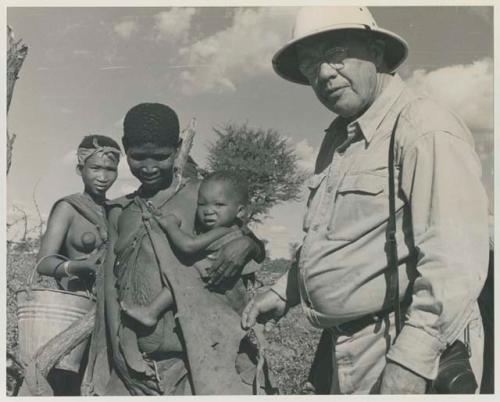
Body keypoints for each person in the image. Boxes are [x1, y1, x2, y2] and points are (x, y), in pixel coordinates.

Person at [242, 6, 489, 395]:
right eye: (309, 65)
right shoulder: (339, 137)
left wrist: (410, 362)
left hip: (400, 342)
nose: (323, 74)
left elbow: (455, 262)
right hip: (346, 347)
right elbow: (331, 237)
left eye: (337, 53)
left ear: (376, 51)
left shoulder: (423, 127)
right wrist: (282, 292)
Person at [82, 103, 275, 396]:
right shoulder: (120, 211)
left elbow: (245, 238)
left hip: (196, 363)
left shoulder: (201, 195)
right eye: (137, 157)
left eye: (160, 157)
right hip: (134, 365)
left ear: (178, 147)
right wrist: (120, 355)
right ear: (125, 149)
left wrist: (247, 245)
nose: (148, 167)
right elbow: (110, 285)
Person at [35, 135, 121, 395]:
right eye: (95, 168)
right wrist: (80, 267)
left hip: (110, 315)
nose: (103, 177)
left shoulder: (116, 211)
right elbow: (44, 262)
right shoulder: (68, 208)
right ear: (79, 169)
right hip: (73, 312)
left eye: (110, 170)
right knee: (67, 385)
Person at [121, 171, 258, 326]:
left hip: (214, 291)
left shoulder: (227, 231)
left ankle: (151, 312)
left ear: (240, 211)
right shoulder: (223, 228)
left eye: (219, 205)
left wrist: (171, 226)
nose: (208, 211)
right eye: (202, 204)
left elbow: (188, 246)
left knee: (183, 274)